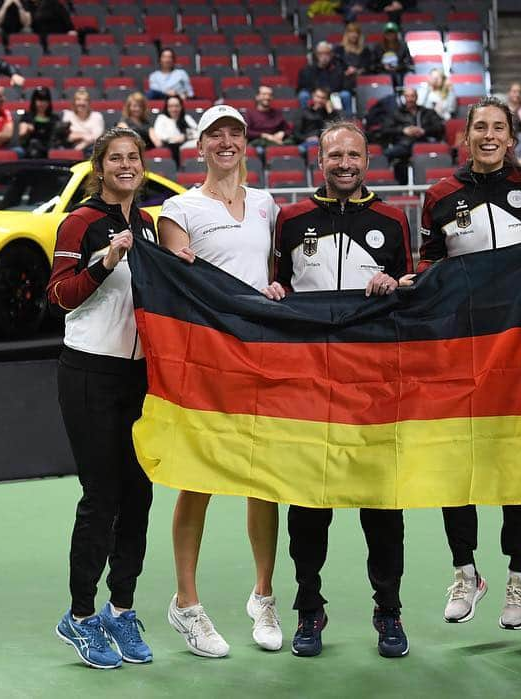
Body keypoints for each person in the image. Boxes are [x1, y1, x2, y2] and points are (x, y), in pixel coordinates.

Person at [267, 121, 413, 659]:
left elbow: (413, 295)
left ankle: (389, 612)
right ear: (319, 160)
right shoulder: (291, 219)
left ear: (368, 159)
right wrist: (276, 288)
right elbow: (274, 285)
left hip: (374, 386)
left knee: (382, 504)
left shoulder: (393, 220)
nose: (344, 163)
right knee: (309, 507)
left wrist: (397, 285)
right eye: (335, 155)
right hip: (308, 386)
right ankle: (309, 609)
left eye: (353, 154)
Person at [415, 97, 521, 630]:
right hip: (459, 347)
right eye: (480, 127)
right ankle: (466, 571)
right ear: (465, 136)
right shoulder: (442, 195)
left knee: (516, 458)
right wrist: (418, 278)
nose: (489, 135)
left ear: (511, 136)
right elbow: (430, 261)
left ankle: (519, 576)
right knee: (458, 458)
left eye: (499, 127)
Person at [157, 105, 282, 658]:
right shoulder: (177, 209)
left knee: (266, 480)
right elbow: (175, 288)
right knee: (198, 480)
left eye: (235, 134)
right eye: (216, 135)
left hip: (262, 359)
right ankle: (187, 602)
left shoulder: (266, 205)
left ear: (246, 144)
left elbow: (273, 273)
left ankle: (264, 594)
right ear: (200, 146)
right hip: (206, 365)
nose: (226, 143)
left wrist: (275, 290)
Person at [47, 126, 158, 670]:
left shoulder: (148, 223)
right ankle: (81, 615)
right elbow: (60, 296)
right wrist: (104, 261)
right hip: (88, 373)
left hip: (140, 379)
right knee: (102, 496)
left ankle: (122, 608)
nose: (126, 165)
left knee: (139, 495)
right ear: (99, 166)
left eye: (133, 157)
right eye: (115, 158)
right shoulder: (81, 222)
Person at [380, 87, 444, 185]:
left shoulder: (427, 112)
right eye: (407, 96)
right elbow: (385, 130)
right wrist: (403, 130)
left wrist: (424, 131)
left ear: (416, 97)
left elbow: (440, 127)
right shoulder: (396, 113)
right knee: (385, 156)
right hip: (404, 144)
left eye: (412, 96)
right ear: (404, 97)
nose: (410, 99)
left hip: (424, 143)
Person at [298, 42, 351, 117]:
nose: (324, 56)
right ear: (316, 54)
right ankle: (306, 117)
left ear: (331, 54)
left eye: (327, 53)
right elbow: (304, 85)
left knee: (345, 94)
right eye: (321, 53)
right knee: (303, 95)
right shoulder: (308, 69)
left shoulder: (338, 69)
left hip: (333, 94)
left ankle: (349, 121)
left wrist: (327, 95)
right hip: (315, 95)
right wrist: (316, 94)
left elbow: (341, 85)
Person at [333, 22, 372, 110]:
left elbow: (369, 66)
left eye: (356, 32)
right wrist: (346, 71)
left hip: (362, 82)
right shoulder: (339, 50)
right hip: (344, 83)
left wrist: (358, 71)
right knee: (344, 95)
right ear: (346, 34)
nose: (354, 35)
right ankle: (348, 121)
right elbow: (336, 67)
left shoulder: (365, 51)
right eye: (351, 32)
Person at [17, 86, 64, 159]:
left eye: (45, 100)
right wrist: (27, 129)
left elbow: (58, 137)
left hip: (49, 147)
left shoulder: (54, 118)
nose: (42, 103)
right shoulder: (27, 116)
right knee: (34, 144)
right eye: (39, 100)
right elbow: (21, 134)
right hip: (30, 148)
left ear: (49, 102)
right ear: (34, 101)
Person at [245, 85, 294, 152]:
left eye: (270, 95)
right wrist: (264, 135)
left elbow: (288, 129)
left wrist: (282, 133)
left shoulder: (277, 112)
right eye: (264, 94)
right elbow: (246, 132)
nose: (267, 97)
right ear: (257, 97)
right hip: (260, 142)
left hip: (276, 140)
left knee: (293, 144)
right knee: (260, 150)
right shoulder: (250, 113)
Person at [152, 95, 197, 165]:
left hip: (185, 144)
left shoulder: (186, 117)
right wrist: (172, 138)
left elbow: (197, 132)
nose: (174, 109)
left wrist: (184, 137)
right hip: (169, 145)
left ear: (181, 107)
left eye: (176, 106)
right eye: (171, 106)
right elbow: (158, 134)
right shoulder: (162, 118)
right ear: (167, 108)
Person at [295, 87, 341, 154]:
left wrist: (330, 112)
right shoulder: (304, 112)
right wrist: (306, 138)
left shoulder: (330, 114)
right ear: (313, 96)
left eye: (323, 98)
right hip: (307, 143)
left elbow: (338, 129)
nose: (319, 100)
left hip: (326, 144)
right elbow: (296, 133)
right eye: (318, 97)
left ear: (327, 100)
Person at [61, 88, 105, 157]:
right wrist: (85, 135)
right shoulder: (68, 115)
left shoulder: (97, 116)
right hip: (69, 148)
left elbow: (97, 137)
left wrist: (82, 145)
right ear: (74, 102)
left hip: (91, 150)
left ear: (89, 103)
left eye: (85, 100)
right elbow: (66, 137)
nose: (82, 103)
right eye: (78, 100)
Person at [374, 22, 412, 89]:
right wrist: (383, 66)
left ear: (396, 33)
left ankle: (400, 94)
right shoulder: (378, 47)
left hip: (400, 72)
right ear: (384, 34)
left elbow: (408, 62)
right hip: (383, 72)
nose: (390, 34)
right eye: (387, 32)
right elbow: (374, 63)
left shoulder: (403, 46)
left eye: (392, 32)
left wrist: (399, 67)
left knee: (405, 76)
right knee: (385, 76)